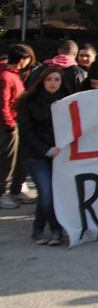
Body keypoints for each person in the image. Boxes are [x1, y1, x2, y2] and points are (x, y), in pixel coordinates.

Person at [16, 67, 70, 245]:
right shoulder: (28, 102)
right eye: (49, 79)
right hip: (35, 156)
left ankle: (37, 230)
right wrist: (47, 150)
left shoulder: (67, 101)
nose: (53, 83)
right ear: (41, 81)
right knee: (47, 193)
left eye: (57, 80)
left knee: (46, 194)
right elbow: (27, 133)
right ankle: (56, 230)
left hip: (59, 155)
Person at [0, 44, 35, 209]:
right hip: (8, 126)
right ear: (23, 60)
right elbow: (3, 104)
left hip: (15, 124)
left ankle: (15, 190)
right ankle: (2, 193)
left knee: (19, 160)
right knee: (7, 162)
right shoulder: (6, 76)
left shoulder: (13, 75)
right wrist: (9, 126)